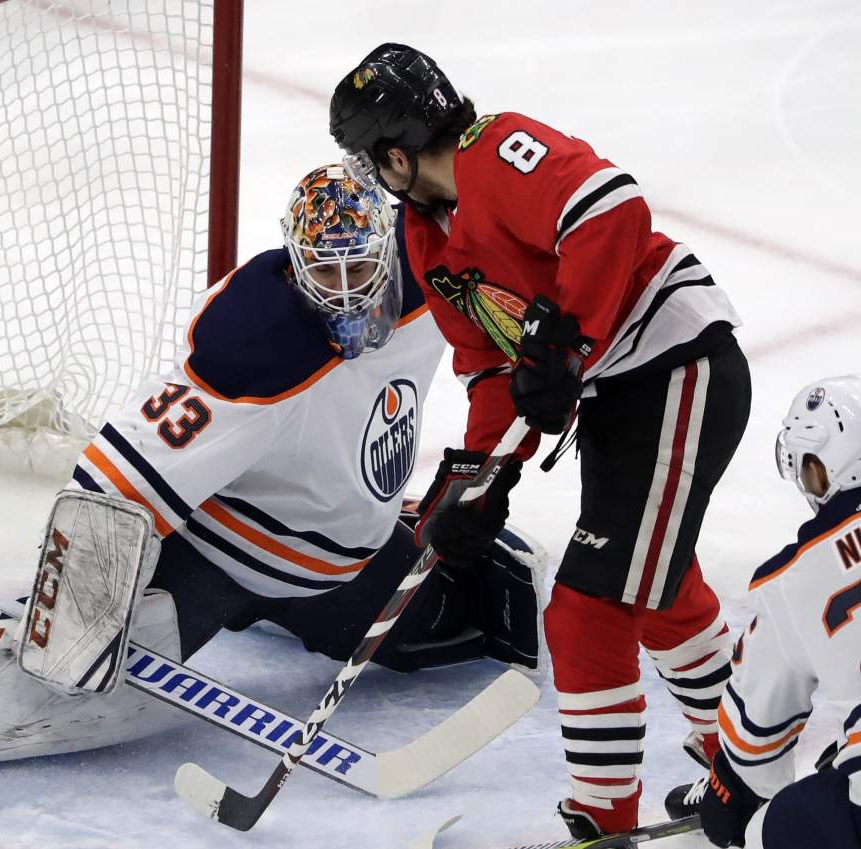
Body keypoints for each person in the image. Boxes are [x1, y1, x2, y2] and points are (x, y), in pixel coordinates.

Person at [0, 164, 546, 789]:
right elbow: (111, 478)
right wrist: (78, 631)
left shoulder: (439, 272)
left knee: (460, 624)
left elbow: (522, 263)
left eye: (363, 268)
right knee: (78, 699)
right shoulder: (260, 346)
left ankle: (325, 598)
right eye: (325, 274)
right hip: (221, 556)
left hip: (344, 562)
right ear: (294, 266)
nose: (349, 292)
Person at [329, 44, 752, 839]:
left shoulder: (497, 151)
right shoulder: (426, 238)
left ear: (393, 153)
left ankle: (602, 820)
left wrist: (569, 341)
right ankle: (746, 764)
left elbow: (612, 207)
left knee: (589, 608)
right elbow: (491, 369)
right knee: (653, 584)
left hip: (677, 364)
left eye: (367, 158)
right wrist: (480, 479)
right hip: (626, 392)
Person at [665, 377, 861, 849]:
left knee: (759, 829)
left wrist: (727, 797)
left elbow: (755, 747)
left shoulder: (792, 578)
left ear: (817, 469)